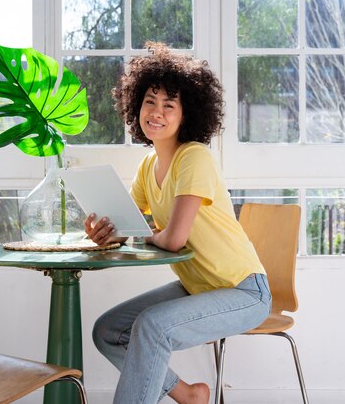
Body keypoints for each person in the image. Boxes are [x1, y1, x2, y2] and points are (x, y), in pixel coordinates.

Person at [84, 42, 271, 404]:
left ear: (186, 115)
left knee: (152, 328)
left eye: (169, 105)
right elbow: (131, 226)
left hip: (244, 291)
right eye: (150, 102)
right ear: (135, 105)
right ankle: (187, 394)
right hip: (202, 287)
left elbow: (172, 240)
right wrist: (104, 232)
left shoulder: (195, 158)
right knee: (108, 331)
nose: (157, 112)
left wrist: (136, 233)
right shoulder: (146, 167)